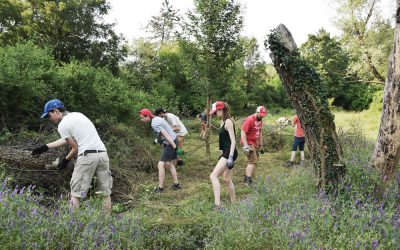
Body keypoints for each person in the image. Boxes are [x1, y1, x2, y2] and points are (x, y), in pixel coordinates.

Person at [31, 99, 112, 211]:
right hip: (103, 155)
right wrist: (45, 147)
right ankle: (106, 224)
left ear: (55, 111)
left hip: (87, 156)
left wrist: (65, 161)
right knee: (105, 193)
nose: (50, 119)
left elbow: (75, 147)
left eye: (49, 116)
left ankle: (73, 225)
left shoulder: (63, 125)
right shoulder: (78, 115)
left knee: (76, 193)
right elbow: (68, 139)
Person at [139, 108, 181, 193]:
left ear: (147, 116)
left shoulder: (154, 123)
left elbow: (165, 134)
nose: (141, 119)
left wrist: (173, 145)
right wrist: (159, 140)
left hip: (170, 142)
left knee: (160, 164)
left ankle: (160, 188)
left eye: (142, 117)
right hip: (173, 139)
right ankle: (176, 185)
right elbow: (165, 131)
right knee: (169, 163)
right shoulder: (157, 118)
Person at [209, 101, 237, 209]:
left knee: (213, 176)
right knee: (226, 179)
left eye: (216, 112)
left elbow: (233, 141)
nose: (215, 114)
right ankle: (234, 203)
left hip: (229, 152)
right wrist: (222, 153)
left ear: (221, 110)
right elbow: (225, 140)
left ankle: (217, 205)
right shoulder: (222, 122)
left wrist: (230, 157)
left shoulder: (228, 122)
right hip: (226, 152)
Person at [241, 106, 267, 186]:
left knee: (255, 161)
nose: (262, 116)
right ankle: (247, 181)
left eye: (263, 115)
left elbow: (260, 132)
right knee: (252, 160)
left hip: (255, 142)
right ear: (257, 112)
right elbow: (243, 131)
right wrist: (245, 146)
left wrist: (261, 144)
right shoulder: (249, 119)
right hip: (248, 142)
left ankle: (249, 177)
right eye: (261, 114)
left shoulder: (260, 120)